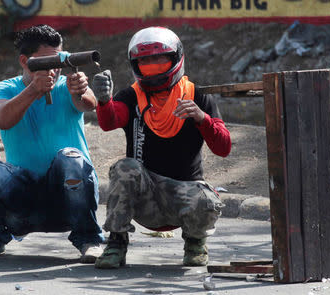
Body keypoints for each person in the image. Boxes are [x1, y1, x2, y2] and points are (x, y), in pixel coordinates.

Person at [0, 24, 104, 263]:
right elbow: (1, 119)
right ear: (24, 61)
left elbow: (88, 104)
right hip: (23, 201)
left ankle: (90, 239)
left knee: (72, 159)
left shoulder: (66, 86)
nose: (53, 70)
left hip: (70, 195)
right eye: (44, 62)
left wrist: (81, 89)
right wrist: (34, 90)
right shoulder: (3, 89)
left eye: (56, 62)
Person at [91, 26, 231, 269]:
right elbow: (110, 121)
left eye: (159, 59)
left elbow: (224, 147)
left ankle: (195, 243)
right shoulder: (132, 96)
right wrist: (104, 102)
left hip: (184, 196)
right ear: (136, 65)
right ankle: (116, 243)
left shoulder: (198, 96)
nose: (152, 66)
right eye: (145, 61)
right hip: (145, 198)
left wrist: (202, 119)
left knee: (207, 198)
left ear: (176, 59)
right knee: (125, 167)